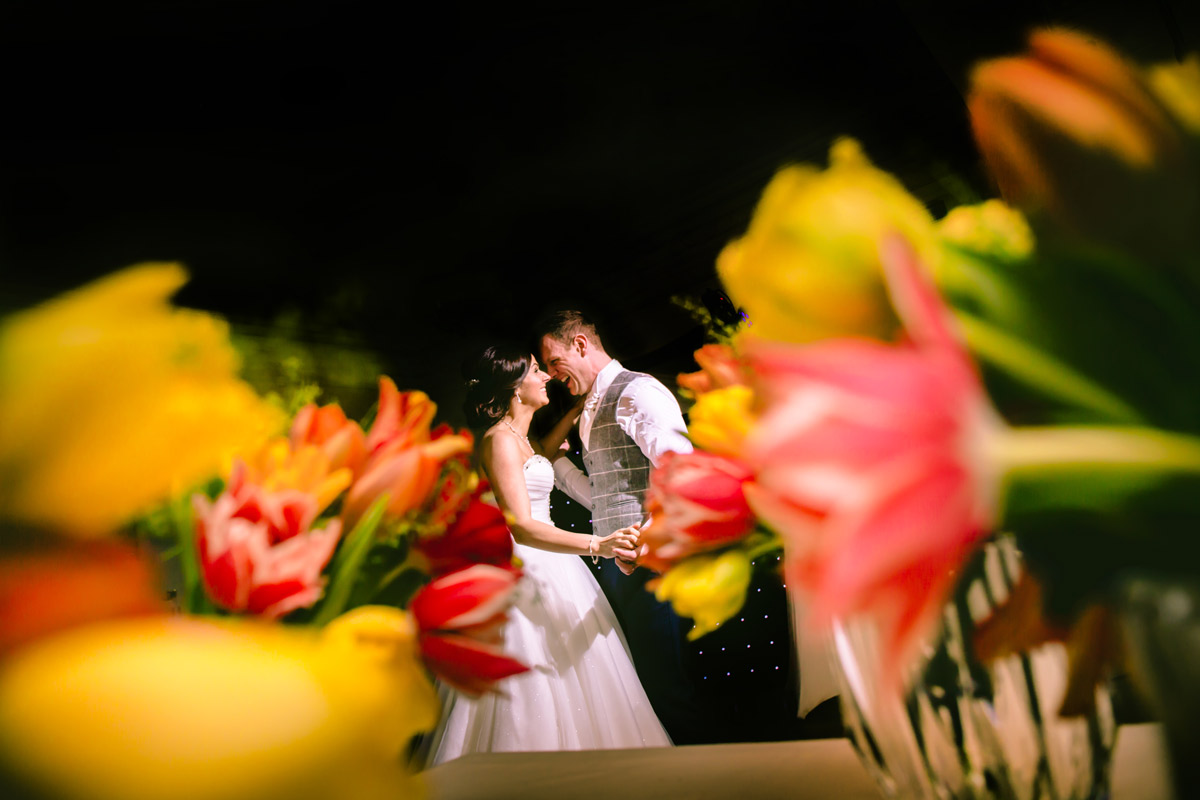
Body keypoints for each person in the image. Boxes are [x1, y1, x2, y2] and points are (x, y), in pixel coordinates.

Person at [426, 344, 671, 764]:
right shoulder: (499, 442)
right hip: (528, 570)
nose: (545, 378)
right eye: (537, 371)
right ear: (514, 388)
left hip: (558, 566)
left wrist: (581, 407)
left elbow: (543, 451)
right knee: (534, 679)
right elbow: (520, 525)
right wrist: (599, 544)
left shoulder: (522, 439)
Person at [537, 310, 708, 744]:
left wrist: (645, 537)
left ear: (579, 344)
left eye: (555, 362)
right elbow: (607, 495)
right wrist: (558, 467)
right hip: (619, 565)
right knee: (646, 687)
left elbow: (682, 474)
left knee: (668, 686)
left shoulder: (637, 391)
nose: (554, 376)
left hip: (651, 564)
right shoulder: (590, 407)